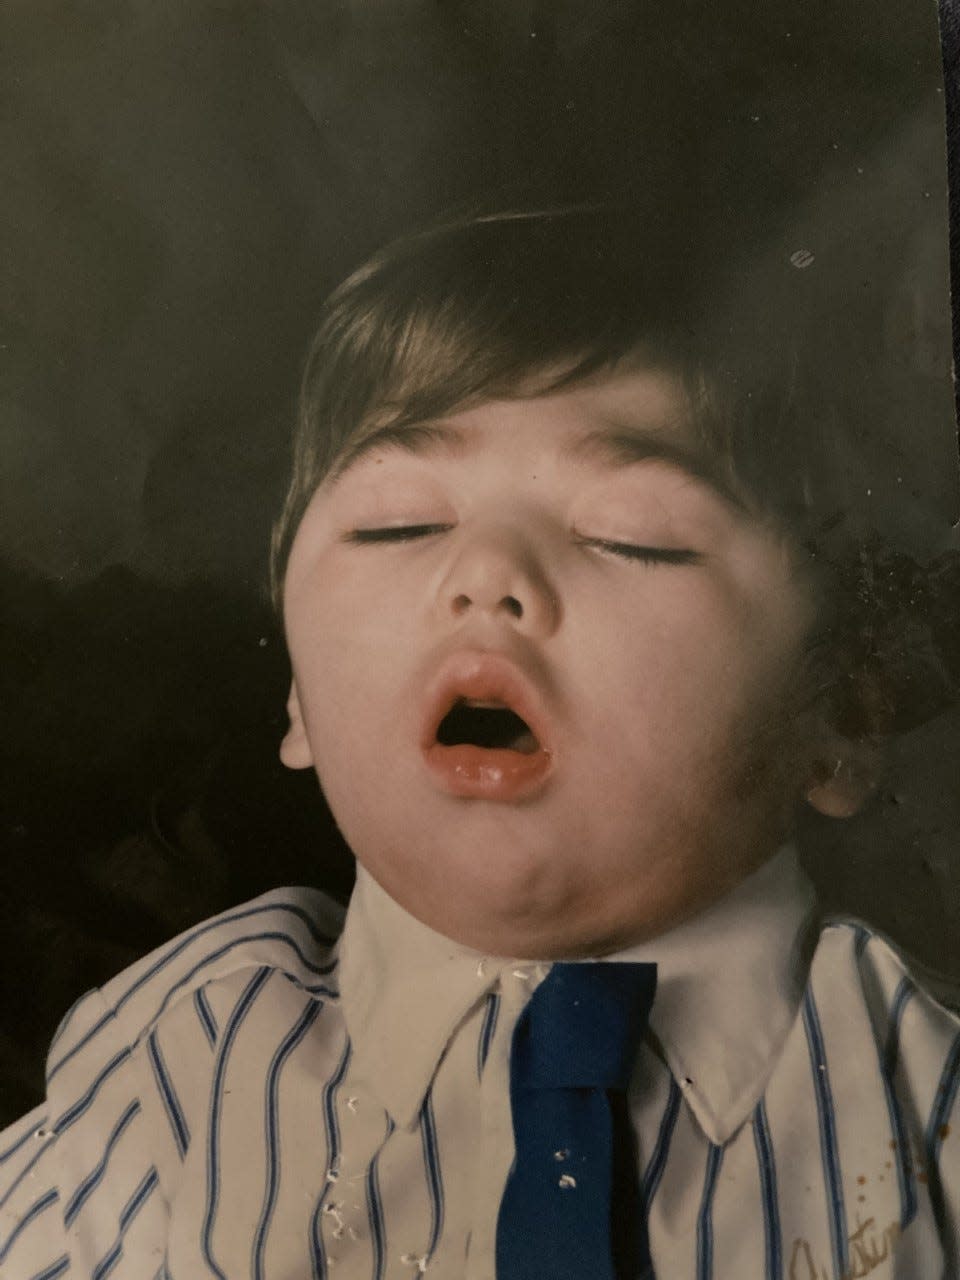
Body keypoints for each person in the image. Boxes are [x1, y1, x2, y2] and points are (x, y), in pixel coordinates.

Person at [1, 207, 957, 1279]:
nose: (484, 574)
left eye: (629, 534)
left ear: (840, 718)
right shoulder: (176, 1082)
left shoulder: (932, 1105)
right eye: (396, 525)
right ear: (300, 704)